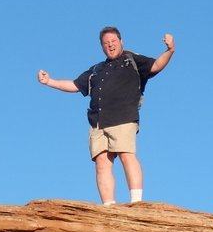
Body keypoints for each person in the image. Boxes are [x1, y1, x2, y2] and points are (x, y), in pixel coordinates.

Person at [37, 26, 175, 205]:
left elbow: (156, 65)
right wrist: (50, 81)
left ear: (121, 42)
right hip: (98, 122)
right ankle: (108, 206)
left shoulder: (131, 59)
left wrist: (170, 50)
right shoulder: (96, 69)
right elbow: (74, 85)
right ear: (102, 47)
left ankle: (136, 202)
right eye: (106, 43)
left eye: (113, 41)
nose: (110, 45)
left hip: (123, 117)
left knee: (126, 154)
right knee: (101, 162)